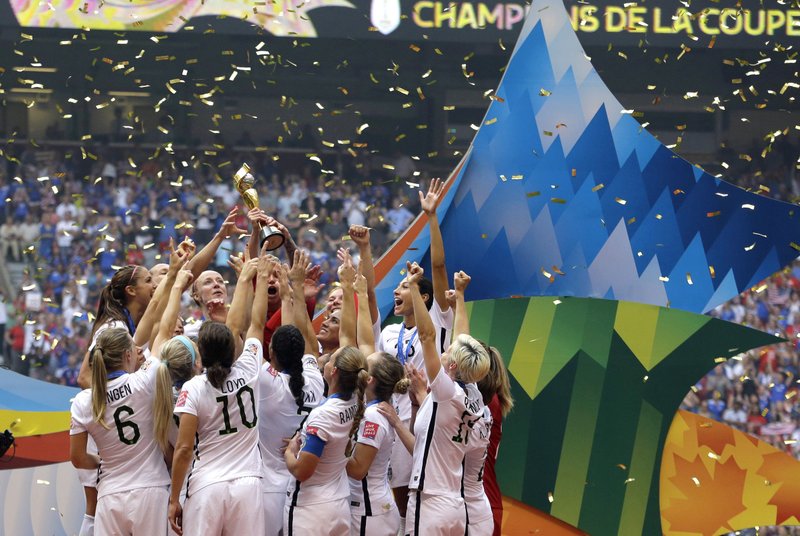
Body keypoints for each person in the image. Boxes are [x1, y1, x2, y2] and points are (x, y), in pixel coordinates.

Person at [168, 253, 273, 536]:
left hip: (207, 486)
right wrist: (258, 279)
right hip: (249, 484)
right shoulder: (250, 368)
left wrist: (174, 497)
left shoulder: (193, 387)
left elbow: (184, 449)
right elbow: (255, 324)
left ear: (199, 354)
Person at [378, 179, 454, 532]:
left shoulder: (438, 320)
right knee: (393, 501)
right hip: (392, 422)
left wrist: (432, 217)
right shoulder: (390, 333)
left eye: (406, 285)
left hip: (425, 423)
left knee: (415, 502)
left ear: (424, 298)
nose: (398, 288)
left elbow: (438, 269)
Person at [402, 261, 489, 535]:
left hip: (428, 501)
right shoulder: (472, 392)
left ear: (451, 366)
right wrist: (460, 297)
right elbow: (463, 339)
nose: (446, 348)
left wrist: (415, 288)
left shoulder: (446, 391)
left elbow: (427, 336)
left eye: (449, 351)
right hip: (454, 504)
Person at [68, 327, 170, 535]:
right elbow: (164, 331)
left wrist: (104, 460)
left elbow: (77, 458)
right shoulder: (144, 380)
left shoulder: (83, 402)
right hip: (150, 490)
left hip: (110, 496)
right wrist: (174, 292)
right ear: (127, 355)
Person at [258, 259, 324, 536]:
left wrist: (284, 288)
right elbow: (305, 340)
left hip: (270, 491)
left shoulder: (268, 385)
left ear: (271, 353)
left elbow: (247, 331)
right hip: (307, 490)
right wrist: (292, 290)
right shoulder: (316, 380)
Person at [283, 345, 369, 535]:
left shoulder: (323, 415)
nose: (326, 362)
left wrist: (289, 452)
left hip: (311, 511)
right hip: (338, 505)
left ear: (334, 370)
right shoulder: (356, 401)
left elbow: (302, 471)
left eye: (330, 359)